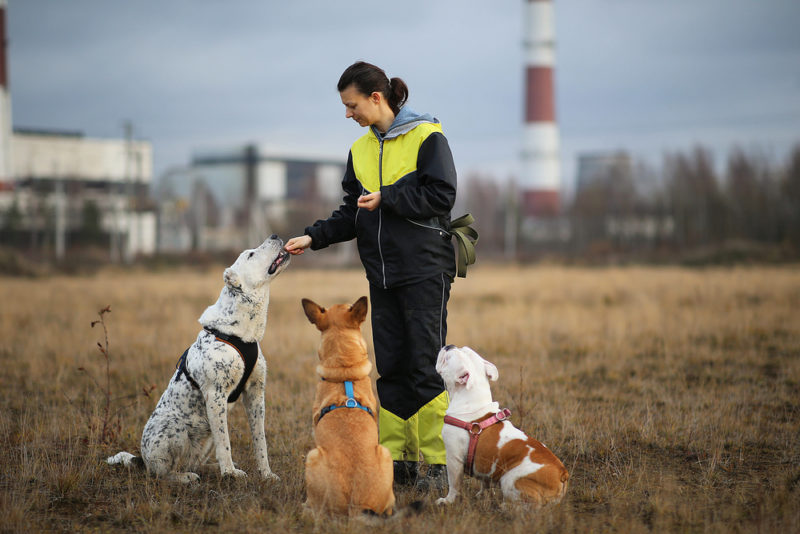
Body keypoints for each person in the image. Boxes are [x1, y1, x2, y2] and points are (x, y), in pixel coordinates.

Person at [285, 61, 457, 492]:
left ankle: (438, 466)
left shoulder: (427, 137)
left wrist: (389, 197)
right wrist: (314, 236)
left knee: (425, 366)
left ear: (376, 98)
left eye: (352, 105)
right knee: (392, 368)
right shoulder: (359, 150)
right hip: (382, 276)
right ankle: (398, 460)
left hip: (425, 270)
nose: (349, 114)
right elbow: (352, 212)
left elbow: (441, 195)